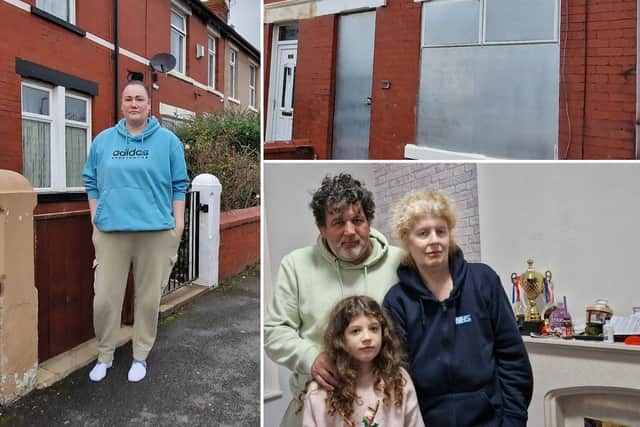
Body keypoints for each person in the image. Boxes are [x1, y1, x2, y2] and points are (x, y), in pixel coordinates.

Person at [264, 173, 405, 427]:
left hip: (382, 412)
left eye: (358, 220)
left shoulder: (400, 263)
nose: (350, 231)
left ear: (369, 221)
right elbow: (274, 332)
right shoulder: (295, 265)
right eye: (338, 222)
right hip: (314, 407)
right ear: (322, 228)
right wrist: (311, 357)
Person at [383, 191, 533, 427]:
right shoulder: (397, 301)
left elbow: (513, 358)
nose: (434, 240)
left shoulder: (483, 281)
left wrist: (513, 420)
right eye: (423, 233)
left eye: (441, 231)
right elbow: (397, 377)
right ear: (406, 239)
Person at [82, 79, 189, 383]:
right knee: (104, 299)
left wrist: (178, 223)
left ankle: (140, 356)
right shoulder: (103, 141)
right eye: (128, 98)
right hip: (112, 231)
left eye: (139, 98)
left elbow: (179, 185)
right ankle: (105, 355)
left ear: (148, 104)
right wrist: (95, 218)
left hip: (154, 232)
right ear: (122, 104)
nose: (133, 103)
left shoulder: (167, 141)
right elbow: (90, 182)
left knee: (147, 299)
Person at [301, 295, 424, 427]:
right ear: (340, 339)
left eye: (374, 329)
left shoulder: (399, 379)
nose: (367, 337)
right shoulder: (321, 390)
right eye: (355, 331)